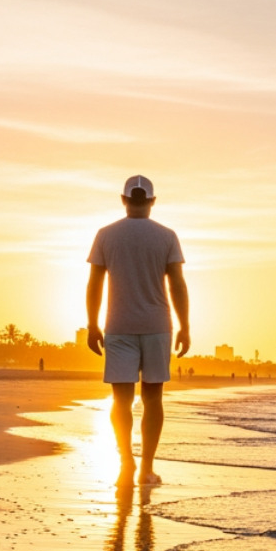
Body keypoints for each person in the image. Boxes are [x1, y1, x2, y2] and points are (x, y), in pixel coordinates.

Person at [86, 175, 190, 487]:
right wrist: (185, 326)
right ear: (152, 201)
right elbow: (177, 284)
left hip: (118, 326)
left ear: (124, 199)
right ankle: (147, 468)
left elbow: (95, 284)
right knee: (153, 399)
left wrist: (92, 324)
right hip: (157, 326)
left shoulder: (106, 235)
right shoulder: (167, 236)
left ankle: (126, 465)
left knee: (121, 401)